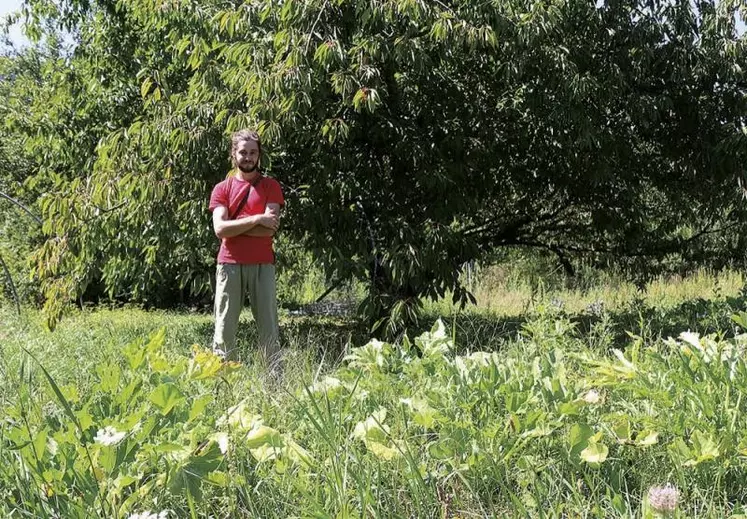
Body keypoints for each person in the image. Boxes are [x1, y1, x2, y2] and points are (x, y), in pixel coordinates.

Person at [208, 129, 285, 365]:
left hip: (263, 264)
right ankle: (221, 380)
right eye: (243, 152)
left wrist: (237, 227)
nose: (248, 157)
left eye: (253, 152)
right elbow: (220, 229)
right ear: (234, 154)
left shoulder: (271, 186)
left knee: (269, 327)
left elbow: (270, 227)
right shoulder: (222, 189)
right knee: (224, 328)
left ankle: (273, 383)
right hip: (229, 263)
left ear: (259, 155)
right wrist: (255, 220)